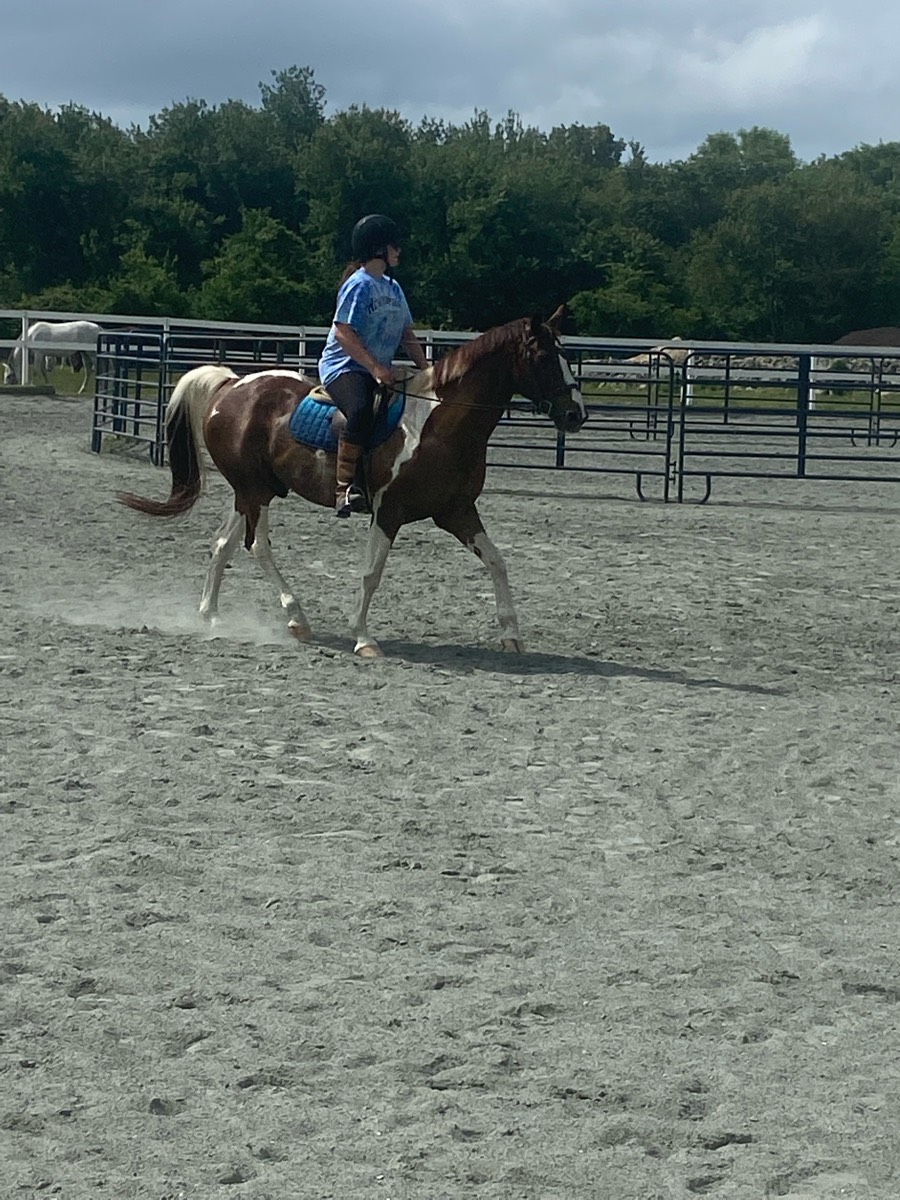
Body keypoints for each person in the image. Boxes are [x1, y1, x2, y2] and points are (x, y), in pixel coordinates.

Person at [318, 213, 429, 517]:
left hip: (377, 369)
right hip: (345, 367)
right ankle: (344, 488)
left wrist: (428, 370)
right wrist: (375, 368)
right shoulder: (359, 285)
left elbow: (407, 334)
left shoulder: (393, 288)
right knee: (359, 409)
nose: (399, 251)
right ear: (379, 248)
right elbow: (343, 332)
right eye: (394, 245)